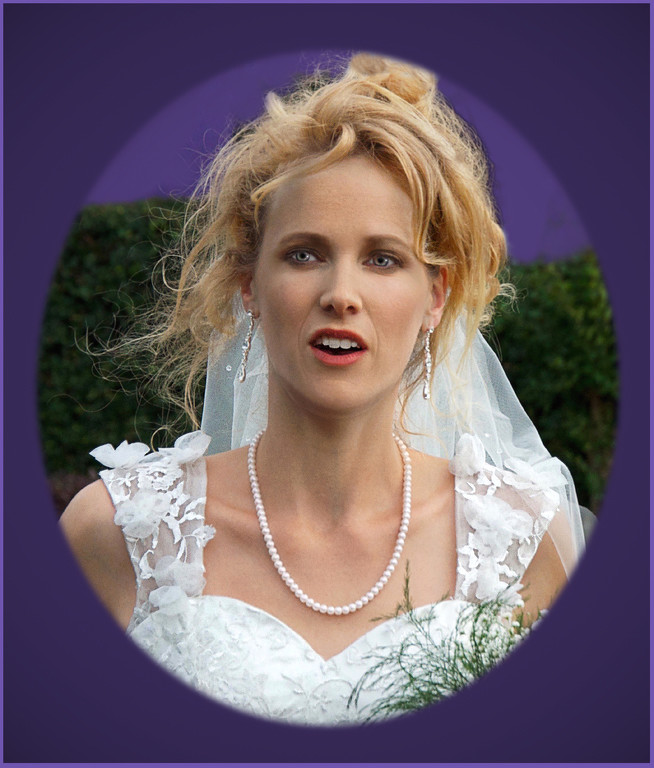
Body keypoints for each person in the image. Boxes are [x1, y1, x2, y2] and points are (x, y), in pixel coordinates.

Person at [60, 53, 584, 725]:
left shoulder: (517, 542)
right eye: (304, 253)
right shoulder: (116, 534)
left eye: (382, 259)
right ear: (249, 284)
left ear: (435, 296)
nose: (341, 295)